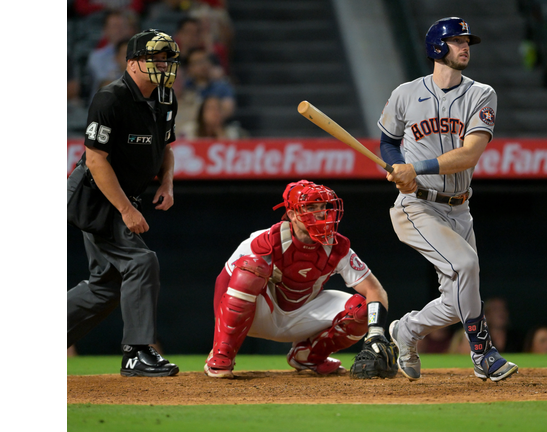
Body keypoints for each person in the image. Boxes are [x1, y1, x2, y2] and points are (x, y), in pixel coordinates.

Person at [379, 17, 518, 383]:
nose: (465, 47)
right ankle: (483, 353)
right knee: (466, 265)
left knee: (456, 301)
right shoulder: (405, 94)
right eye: (457, 40)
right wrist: (397, 169)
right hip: (417, 205)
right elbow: (389, 142)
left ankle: (406, 331)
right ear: (437, 48)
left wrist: (415, 166)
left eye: (466, 41)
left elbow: (470, 154)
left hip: (460, 205)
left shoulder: (481, 93)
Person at [66, 29, 181, 377]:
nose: (163, 65)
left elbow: (166, 149)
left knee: (105, 287)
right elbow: (96, 160)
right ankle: (137, 352)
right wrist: (127, 209)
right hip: (94, 194)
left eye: (166, 59)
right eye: (154, 58)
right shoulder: (110, 99)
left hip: (123, 194)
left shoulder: (166, 97)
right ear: (132, 63)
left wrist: (167, 181)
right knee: (141, 262)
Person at [204, 180, 396, 379]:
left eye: (323, 207)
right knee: (251, 268)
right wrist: (222, 329)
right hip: (256, 317)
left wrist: (376, 331)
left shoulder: (337, 246)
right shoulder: (265, 240)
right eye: (311, 208)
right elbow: (223, 282)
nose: (321, 213)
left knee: (362, 311)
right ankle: (222, 354)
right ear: (293, 214)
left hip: (302, 318)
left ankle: (308, 356)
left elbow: (375, 291)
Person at [85, 10, 137, 101]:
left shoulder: (139, 54)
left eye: (123, 26)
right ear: (105, 30)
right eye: (115, 26)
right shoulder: (97, 57)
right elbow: (106, 85)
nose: (119, 30)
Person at [181, 47, 236, 120]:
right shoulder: (184, 87)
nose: (203, 65)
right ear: (189, 68)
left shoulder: (221, 86)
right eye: (198, 62)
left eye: (205, 60)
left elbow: (228, 110)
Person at [178, 95, 247, 139]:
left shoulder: (231, 134)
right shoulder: (188, 131)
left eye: (218, 109)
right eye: (211, 108)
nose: (215, 112)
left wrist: (220, 134)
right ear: (202, 112)